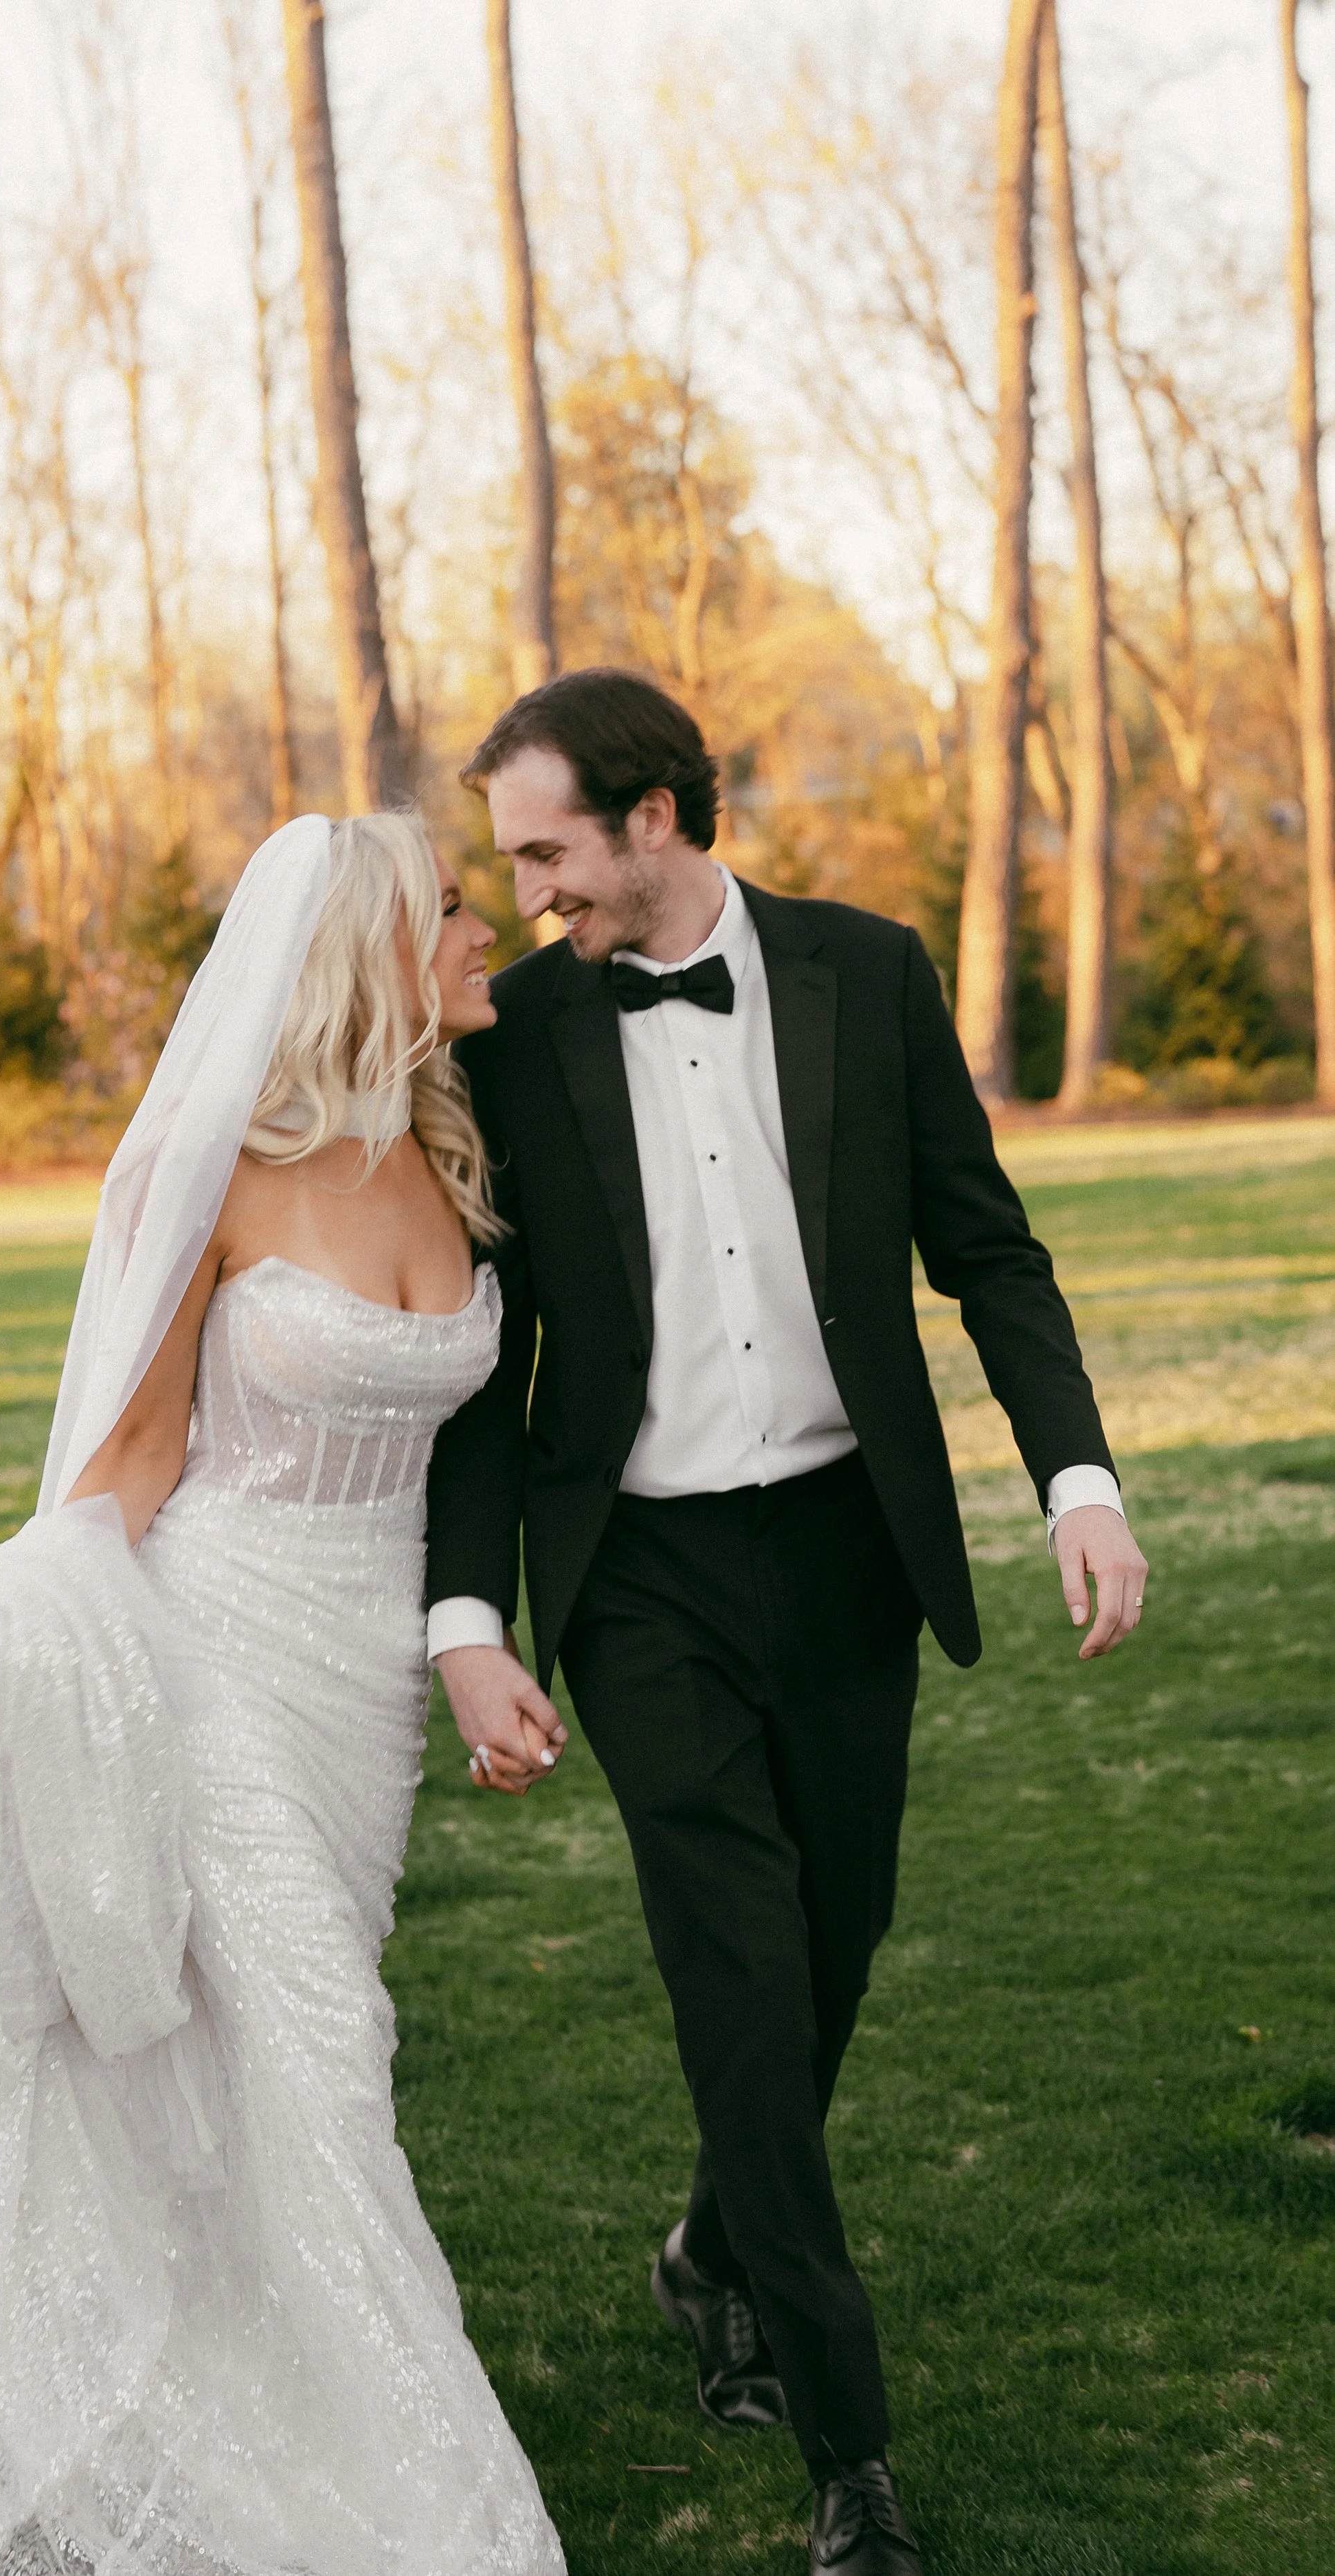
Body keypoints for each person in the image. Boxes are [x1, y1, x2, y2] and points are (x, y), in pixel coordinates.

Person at [0, 812, 566, 2576]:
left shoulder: (451, 1159)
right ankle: (423, 2518)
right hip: (212, 1658)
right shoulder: (207, 1175)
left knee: (258, 2087)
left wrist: (467, 1638)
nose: (483, 934)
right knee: (328, 2062)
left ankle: (227, 2414)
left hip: (358, 1695)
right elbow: (131, 1456)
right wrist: (10, 1605)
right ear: (362, 951)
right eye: (451, 910)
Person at [425, 669, 1150, 2576]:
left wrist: (1074, 1479)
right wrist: (463, 1616)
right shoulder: (514, 1039)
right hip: (640, 1581)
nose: (528, 894)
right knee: (740, 1979)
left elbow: (984, 1247)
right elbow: (482, 1377)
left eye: (545, 851)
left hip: (844, 1551)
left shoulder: (865, 970)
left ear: (653, 816)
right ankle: (850, 2456)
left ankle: (707, 2241)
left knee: (837, 1932)